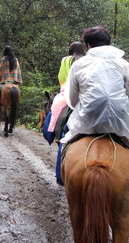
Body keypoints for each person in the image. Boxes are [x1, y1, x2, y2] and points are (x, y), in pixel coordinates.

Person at [60, 26, 129, 154]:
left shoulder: (78, 64)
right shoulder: (124, 64)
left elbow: (72, 99)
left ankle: (60, 173)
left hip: (88, 117)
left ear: (88, 45)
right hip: (118, 119)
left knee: (65, 140)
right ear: (108, 43)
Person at [45, 41, 86, 185]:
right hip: (86, 97)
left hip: (67, 94)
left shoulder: (66, 60)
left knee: (54, 114)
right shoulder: (88, 60)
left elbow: (62, 79)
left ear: (70, 51)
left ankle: (50, 133)